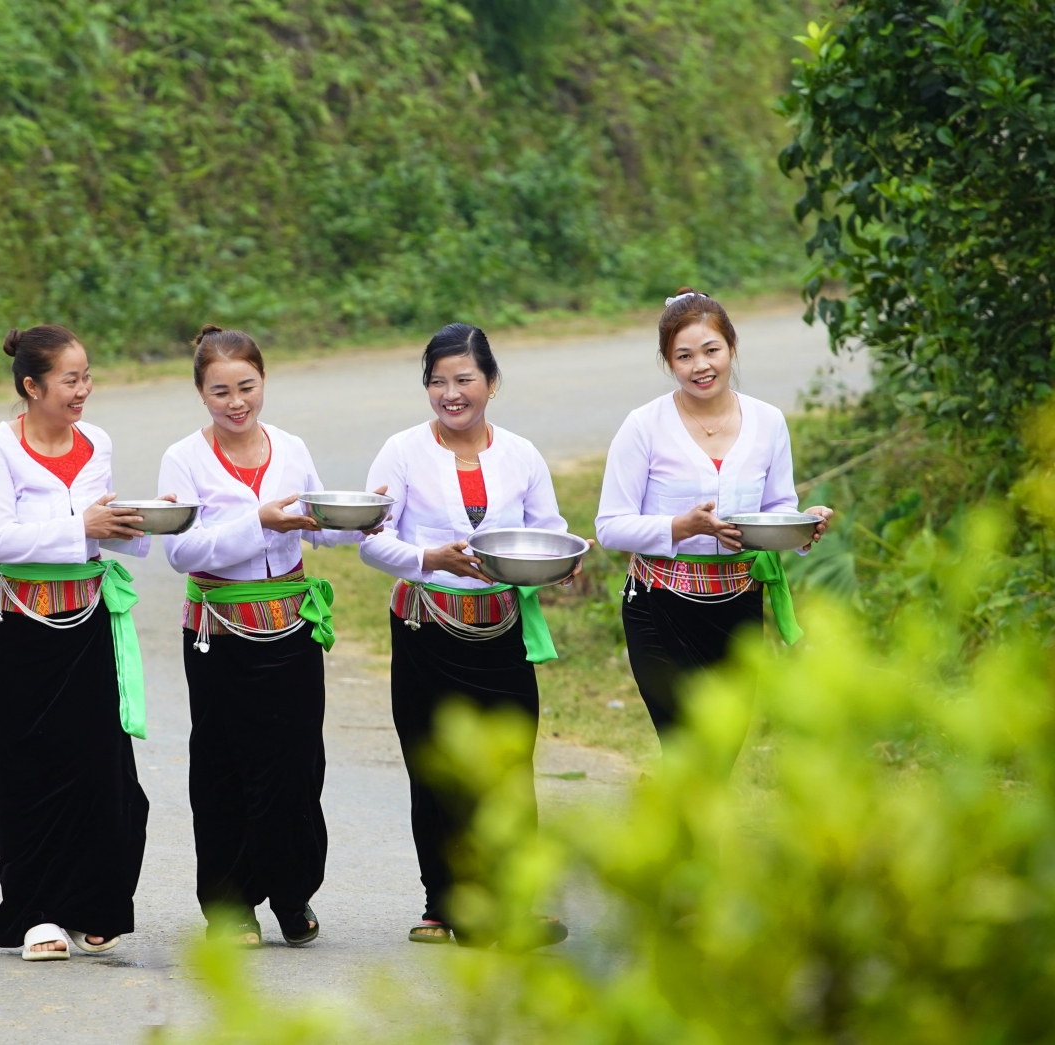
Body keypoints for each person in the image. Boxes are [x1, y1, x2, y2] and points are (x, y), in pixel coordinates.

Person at [156, 325, 383, 948]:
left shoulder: (289, 447)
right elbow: (182, 552)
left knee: (295, 765)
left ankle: (291, 893)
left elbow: (315, 527)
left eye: (247, 387)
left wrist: (362, 516)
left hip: (292, 627)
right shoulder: (184, 457)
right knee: (225, 766)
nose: (237, 403)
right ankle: (230, 906)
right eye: (221, 391)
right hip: (219, 632)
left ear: (264, 382)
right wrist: (255, 519)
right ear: (201, 393)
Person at [359, 322, 582, 948]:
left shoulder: (522, 455)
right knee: (435, 769)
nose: (451, 394)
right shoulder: (401, 452)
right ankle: (444, 901)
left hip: (501, 632)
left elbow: (549, 531)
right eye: (437, 382)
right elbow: (372, 541)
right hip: (427, 627)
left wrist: (562, 565)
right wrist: (432, 559)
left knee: (510, 767)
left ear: (491, 382)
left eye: (464, 380)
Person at [0, 323, 160, 961]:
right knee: (29, 770)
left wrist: (139, 522)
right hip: (20, 627)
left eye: (86, 376)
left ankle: (94, 904)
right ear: (32, 385)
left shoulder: (96, 441)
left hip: (88, 619)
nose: (84, 390)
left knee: (100, 769)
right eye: (70, 379)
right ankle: (36, 914)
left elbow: (99, 531)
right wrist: (83, 523)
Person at [593, 289, 832, 738]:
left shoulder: (768, 422)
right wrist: (681, 528)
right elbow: (609, 526)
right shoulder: (643, 426)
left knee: (724, 746)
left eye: (711, 350)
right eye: (684, 356)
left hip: (738, 605)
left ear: (731, 348)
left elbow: (777, 508)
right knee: (684, 745)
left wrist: (802, 526)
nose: (700, 365)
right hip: (658, 605)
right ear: (669, 363)